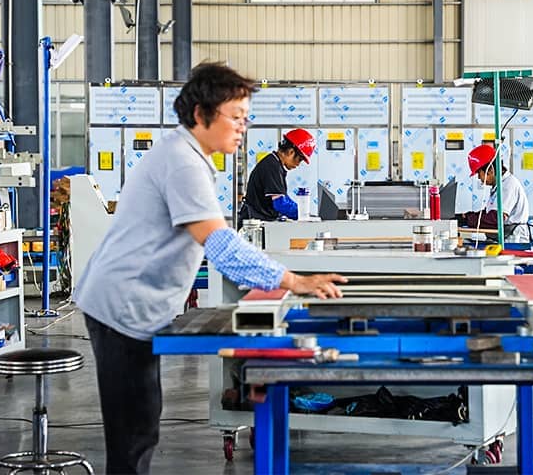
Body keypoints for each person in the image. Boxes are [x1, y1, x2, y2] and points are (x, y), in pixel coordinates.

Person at [72, 63, 346, 475]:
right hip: (121, 308)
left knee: (141, 427)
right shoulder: (182, 162)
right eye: (235, 117)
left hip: (134, 305)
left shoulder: (188, 157)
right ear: (201, 114)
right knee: (133, 437)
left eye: (245, 118)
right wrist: (293, 280)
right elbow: (220, 245)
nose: (242, 128)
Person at [459, 144, 531, 244]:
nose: (479, 178)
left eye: (479, 173)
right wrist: (467, 216)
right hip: (505, 236)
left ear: (490, 170)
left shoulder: (508, 185)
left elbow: (496, 218)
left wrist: (469, 220)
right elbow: (489, 213)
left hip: (513, 239)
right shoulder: (499, 186)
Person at [239, 128, 315, 222]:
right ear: (291, 152)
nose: (298, 164)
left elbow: (284, 199)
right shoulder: (272, 166)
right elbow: (280, 204)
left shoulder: (275, 163)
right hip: (254, 222)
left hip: (259, 219)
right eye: (299, 159)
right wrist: (302, 215)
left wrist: (303, 213)